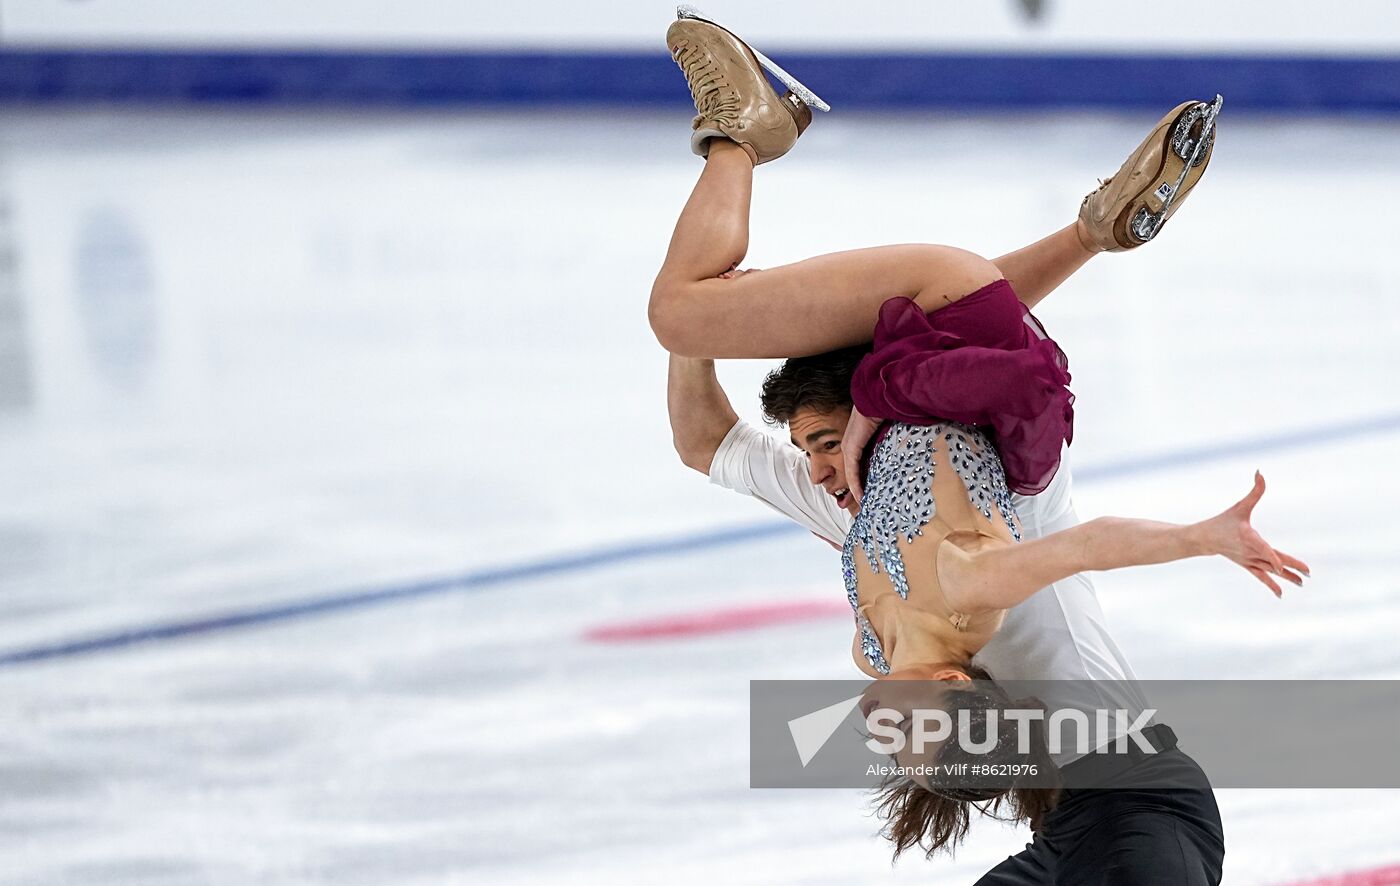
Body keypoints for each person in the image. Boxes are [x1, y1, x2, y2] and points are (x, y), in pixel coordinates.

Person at [652, 8, 1307, 883]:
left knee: (701, 313)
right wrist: (1199, 537)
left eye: (818, 441)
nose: (814, 467)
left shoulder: (867, 529)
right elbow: (1006, 378)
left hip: (1092, 810)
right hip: (1131, 799)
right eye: (808, 447)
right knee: (684, 309)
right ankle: (742, 132)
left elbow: (705, 442)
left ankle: (1084, 231)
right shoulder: (990, 528)